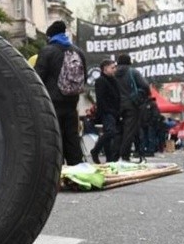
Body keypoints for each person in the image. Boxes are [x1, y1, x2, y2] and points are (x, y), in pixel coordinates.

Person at [34, 20, 87, 166]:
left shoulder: (47, 51)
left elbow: (38, 77)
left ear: (50, 36)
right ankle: (76, 166)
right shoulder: (78, 52)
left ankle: (55, 167)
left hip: (52, 101)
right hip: (72, 100)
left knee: (54, 134)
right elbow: (84, 78)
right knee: (72, 135)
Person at [113, 53, 150, 162]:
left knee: (118, 131)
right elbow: (145, 86)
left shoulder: (113, 73)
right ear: (129, 61)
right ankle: (125, 156)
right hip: (131, 105)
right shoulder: (133, 72)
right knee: (129, 131)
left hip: (117, 105)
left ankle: (115, 155)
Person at [90, 59, 120, 163]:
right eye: (112, 68)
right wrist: (107, 111)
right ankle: (95, 150)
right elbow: (101, 99)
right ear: (105, 68)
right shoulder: (101, 81)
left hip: (115, 112)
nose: (114, 70)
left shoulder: (114, 80)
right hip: (107, 112)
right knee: (110, 132)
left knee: (110, 135)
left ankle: (109, 159)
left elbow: (117, 96)